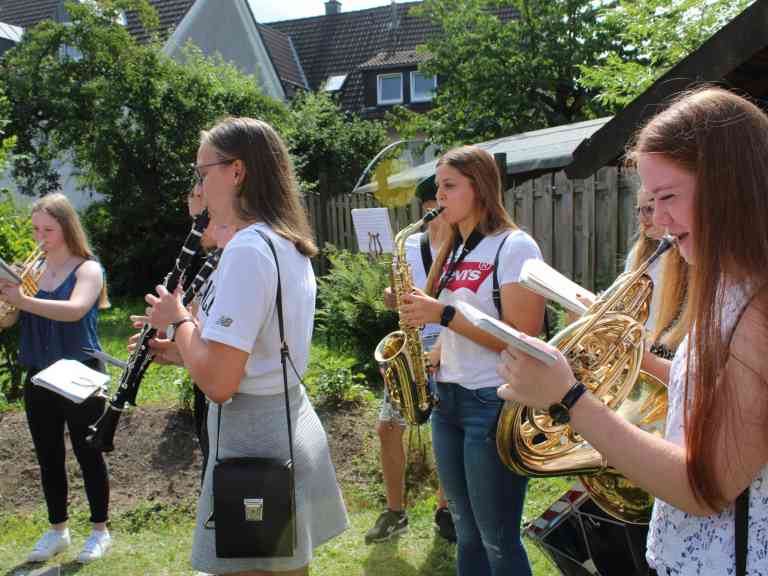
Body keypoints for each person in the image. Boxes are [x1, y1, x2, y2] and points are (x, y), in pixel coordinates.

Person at [497, 87, 768, 575]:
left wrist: (570, 397)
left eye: (667, 198)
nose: (658, 222)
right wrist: (636, 359)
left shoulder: (758, 310)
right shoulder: (731, 286)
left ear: (728, 188)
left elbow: (703, 488)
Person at [144, 117, 348, 576]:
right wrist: (183, 347)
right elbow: (252, 349)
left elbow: (219, 382)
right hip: (282, 420)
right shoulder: (282, 242)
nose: (199, 184)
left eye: (203, 172)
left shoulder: (247, 250)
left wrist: (178, 320)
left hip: (253, 436)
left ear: (236, 172)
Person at [400, 145, 545, 576]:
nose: (438, 196)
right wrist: (435, 352)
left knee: (498, 538)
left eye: (448, 186)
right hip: (449, 401)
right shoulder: (456, 249)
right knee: (465, 530)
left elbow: (524, 334)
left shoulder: (514, 246)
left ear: (478, 187)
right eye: (438, 187)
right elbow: (456, 328)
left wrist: (442, 314)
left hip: (492, 403)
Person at [0, 193, 112, 564]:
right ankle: (58, 530)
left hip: (80, 372)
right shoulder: (30, 272)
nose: (40, 237)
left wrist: (23, 299)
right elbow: (9, 321)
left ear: (67, 228)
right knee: (48, 456)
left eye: (48, 229)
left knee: (89, 453)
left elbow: (75, 310)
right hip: (40, 372)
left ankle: (99, 531)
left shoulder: (88, 268)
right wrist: (6, 303)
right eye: (35, 229)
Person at [365, 178, 456, 544]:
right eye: (437, 203)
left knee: (445, 431)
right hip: (412, 348)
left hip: (449, 346)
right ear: (426, 207)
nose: (441, 210)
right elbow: (399, 300)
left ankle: (446, 508)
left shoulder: (463, 248)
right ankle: (395, 510)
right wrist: (392, 298)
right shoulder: (410, 246)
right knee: (388, 428)